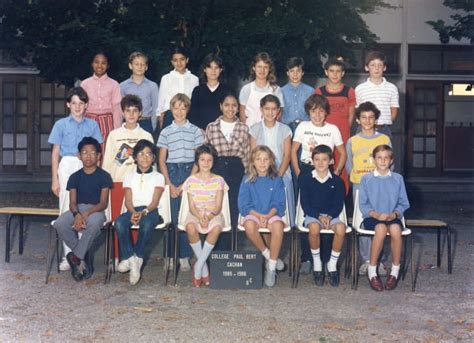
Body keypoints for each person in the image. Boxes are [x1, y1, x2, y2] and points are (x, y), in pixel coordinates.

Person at [48, 87, 103, 271]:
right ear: (68, 105)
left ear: (86, 105)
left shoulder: (92, 125)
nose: (78, 107)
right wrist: (55, 179)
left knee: (84, 207)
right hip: (68, 165)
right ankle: (67, 255)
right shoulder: (61, 125)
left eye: (81, 103)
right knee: (67, 210)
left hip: (86, 166)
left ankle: (80, 253)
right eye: (74, 103)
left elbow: (98, 153)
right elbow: (55, 153)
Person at [291, 94, 346, 274]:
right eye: (314, 111)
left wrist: (336, 171)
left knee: (328, 212)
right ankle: (307, 258)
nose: (317, 115)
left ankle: (327, 259)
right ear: (309, 112)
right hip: (307, 170)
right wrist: (299, 173)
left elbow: (342, 153)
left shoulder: (332, 129)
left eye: (321, 111)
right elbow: (293, 152)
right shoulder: (303, 127)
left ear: (326, 113)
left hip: (327, 170)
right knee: (308, 214)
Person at [53, 137, 113, 281]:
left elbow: (103, 203)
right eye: (84, 153)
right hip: (77, 208)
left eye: (92, 153)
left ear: (99, 156)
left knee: (95, 222)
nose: (88, 156)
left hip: (96, 210)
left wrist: (86, 214)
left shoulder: (104, 176)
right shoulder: (74, 177)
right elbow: (72, 202)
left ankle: (75, 256)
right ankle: (81, 255)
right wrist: (77, 214)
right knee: (60, 223)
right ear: (79, 155)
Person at [157, 93, 204, 271]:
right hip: (171, 171)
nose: (179, 111)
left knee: (186, 217)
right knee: (171, 217)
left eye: (183, 108)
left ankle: (184, 255)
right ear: (171, 109)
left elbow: (198, 159)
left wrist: (187, 183)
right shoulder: (166, 131)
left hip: (189, 172)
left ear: (187, 110)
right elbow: (162, 160)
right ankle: (170, 255)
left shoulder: (195, 131)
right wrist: (169, 183)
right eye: (175, 108)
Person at [346, 102, 391, 276]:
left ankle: (378, 260)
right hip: (360, 186)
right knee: (363, 222)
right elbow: (350, 166)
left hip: (380, 186)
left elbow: (390, 164)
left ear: (376, 119)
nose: (367, 120)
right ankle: (366, 260)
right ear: (358, 119)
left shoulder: (384, 140)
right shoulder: (353, 141)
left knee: (379, 222)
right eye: (363, 117)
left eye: (371, 117)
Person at [359, 144, 410, 291]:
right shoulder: (367, 179)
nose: (382, 161)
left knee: (395, 230)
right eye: (379, 158)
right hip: (373, 217)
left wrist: (395, 214)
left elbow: (403, 203)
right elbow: (363, 204)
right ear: (374, 160)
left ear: (391, 160)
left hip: (391, 215)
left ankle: (394, 271)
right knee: (380, 229)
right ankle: (372, 270)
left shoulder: (397, 179)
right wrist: (376, 215)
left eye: (386, 158)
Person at [114, 140, 165, 285]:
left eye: (149, 154)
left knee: (148, 225)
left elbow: (154, 202)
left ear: (154, 158)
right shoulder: (129, 176)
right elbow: (128, 201)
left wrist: (143, 213)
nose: (145, 157)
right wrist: (133, 213)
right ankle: (132, 259)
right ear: (135, 157)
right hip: (132, 209)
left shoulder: (158, 177)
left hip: (150, 211)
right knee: (119, 223)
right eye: (141, 154)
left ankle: (137, 257)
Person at [238, 146, 287, 288]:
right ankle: (268, 255)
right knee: (249, 226)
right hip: (253, 214)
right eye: (258, 159)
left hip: (272, 214)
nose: (262, 163)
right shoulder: (247, 179)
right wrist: (259, 216)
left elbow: (278, 203)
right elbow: (244, 204)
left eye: (266, 159)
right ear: (252, 161)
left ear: (271, 161)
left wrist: (268, 215)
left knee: (278, 227)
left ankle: (271, 268)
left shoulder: (277, 180)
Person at [205, 94, 249, 249]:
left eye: (234, 105)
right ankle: (215, 249)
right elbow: (207, 152)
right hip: (217, 168)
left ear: (238, 108)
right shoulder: (211, 127)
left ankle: (232, 248)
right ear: (221, 106)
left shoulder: (244, 128)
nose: (231, 108)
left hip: (237, 169)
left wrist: (248, 173)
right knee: (217, 207)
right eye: (227, 104)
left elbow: (246, 153)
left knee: (233, 208)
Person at [298, 145, 346, 287]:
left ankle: (332, 265)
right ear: (312, 161)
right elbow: (305, 204)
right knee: (314, 228)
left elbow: (338, 204)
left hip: (332, 215)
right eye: (317, 159)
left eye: (324, 159)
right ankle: (317, 264)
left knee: (341, 229)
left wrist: (330, 217)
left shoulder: (337, 181)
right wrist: (319, 217)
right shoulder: (306, 179)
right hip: (313, 215)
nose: (320, 163)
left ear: (331, 161)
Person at [102, 95, 154, 221]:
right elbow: (107, 162)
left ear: (140, 113)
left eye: (135, 111)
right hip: (117, 183)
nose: (131, 114)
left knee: (136, 223)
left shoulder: (146, 136)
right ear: (123, 113)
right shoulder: (114, 135)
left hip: (139, 185)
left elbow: (152, 164)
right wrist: (105, 183)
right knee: (116, 222)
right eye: (128, 111)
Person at [182, 144, 226, 287]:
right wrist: (199, 217)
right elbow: (191, 206)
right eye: (202, 160)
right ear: (197, 161)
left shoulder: (219, 180)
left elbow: (218, 205)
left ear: (213, 162)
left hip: (213, 214)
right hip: (196, 213)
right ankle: (204, 269)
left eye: (209, 160)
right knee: (190, 226)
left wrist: (209, 216)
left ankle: (198, 265)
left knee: (216, 228)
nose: (206, 163)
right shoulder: (190, 181)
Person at [250, 95, 294, 227]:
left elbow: (287, 155)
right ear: (261, 110)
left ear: (278, 111)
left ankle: (283, 226)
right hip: (260, 170)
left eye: (274, 109)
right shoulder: (254, 129)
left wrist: (279, 176)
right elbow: (253, 155)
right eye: (267, 109)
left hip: (281, 171)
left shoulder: (285, 129)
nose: (270, 112)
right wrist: (260, 173)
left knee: (283, 186)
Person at [315, 57, 356, 193]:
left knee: (341, 168)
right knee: (323, 165)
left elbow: (351, 115)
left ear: (343, 73)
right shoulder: (320, 92)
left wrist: (344, 133)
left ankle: (341, 199)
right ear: (326, 72)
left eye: (338, 71)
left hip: (342, 135)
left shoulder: (349, 91)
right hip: (324, 135)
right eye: (331, 71)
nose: (335, 74)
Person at [81, 51, 122, 146]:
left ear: (108, 65)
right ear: (92, 64)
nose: (100, 65)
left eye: (103, 63)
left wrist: (117, 130)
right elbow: (81, 106)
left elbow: (116, 109)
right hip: (89, 121)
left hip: (107, 122)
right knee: (89, 149)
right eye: (96, 62)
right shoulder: (85, 84)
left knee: (106, 149)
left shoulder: (114, 84)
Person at [355, 51, 399, 138]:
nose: (376, 68)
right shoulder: (359, 89)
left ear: (384, 68)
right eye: (372, 65)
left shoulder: (392, 88)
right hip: (364, 129)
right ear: (366, 68)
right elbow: (357, 110)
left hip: (383, 129)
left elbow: (394, 110)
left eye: (380, 65)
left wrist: (385, 123)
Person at [157, 47, 199, 130]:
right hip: (170, 115)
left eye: (182, 59)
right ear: (172, 62)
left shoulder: (194, 79)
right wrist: (160, 117)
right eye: (175, 60)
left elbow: (195, 100)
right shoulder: (166, 78)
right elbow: (161, 101)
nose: (179, 63)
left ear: (187, 60)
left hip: (188, 115)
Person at [239, 52, 284, 127]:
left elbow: (279, 112)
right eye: (259, 66)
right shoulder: (246, 89)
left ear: (269, 69)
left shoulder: (276, 90)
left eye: (265, 67)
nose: (262, 70)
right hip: (250, 130)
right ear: (254, 68)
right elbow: (242, 115)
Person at [188, 53, 232, 130]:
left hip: (222, 133)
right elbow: (192, 115)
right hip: (201, 134)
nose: (213, 71)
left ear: (221, 70)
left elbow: (232, 113)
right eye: (210, 67)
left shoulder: (227, 91)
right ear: (204, 69)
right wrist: (200, 130)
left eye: (216, 67)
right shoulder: (197, 91)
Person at [120, 51, 159, 135]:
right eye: (136, 64)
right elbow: (121, 108)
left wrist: (153, 126)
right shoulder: (123, 86)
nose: (140, 67)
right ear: (130, 66)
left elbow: (155, 108)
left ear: (146, 67)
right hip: (129, 123)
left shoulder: (152, 86)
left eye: (142, 64)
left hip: (146, 123)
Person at [281, 57, 313, 133]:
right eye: (292, 71)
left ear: (302, 73)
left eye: (298, 71)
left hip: (305, 127)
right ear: (287, 73)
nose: (295, 74)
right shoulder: (281, 91)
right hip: (286, 127)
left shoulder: (310, 91)